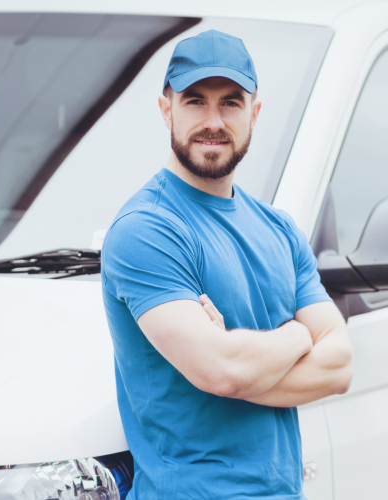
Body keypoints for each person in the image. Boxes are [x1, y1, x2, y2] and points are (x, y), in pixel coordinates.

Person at [100, 29, 355, 499]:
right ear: (166, 110)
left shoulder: (279, 230)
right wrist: (298, 336)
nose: (213, 120)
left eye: (230, 103)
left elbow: (339, 366)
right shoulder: (148, 229)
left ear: (254, 114)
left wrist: (241, 363)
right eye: (195, 101)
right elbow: (222, 372)